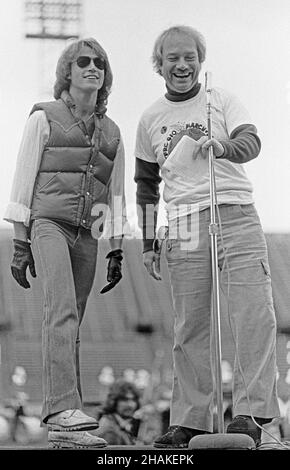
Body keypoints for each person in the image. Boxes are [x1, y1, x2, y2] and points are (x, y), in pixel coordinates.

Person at [134, 25, 280, 448]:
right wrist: (147, 244)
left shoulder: (221, 100)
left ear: (201, 59)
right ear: (158, 64)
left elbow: (251, 141)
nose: (182, 65)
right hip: (182, 224)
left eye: (190, 57)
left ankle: (253, 412)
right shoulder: (150, 119)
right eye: (172, 58)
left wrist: (222, 147)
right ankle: (190, 420)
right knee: (190, 327)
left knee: (254, 314)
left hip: (234, 212)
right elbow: (146, 185)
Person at [4, 37, 127, 449]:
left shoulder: (113, 132)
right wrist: (20, 243)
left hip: (88, 233)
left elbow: (117, 193)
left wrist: (115, 248)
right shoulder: (45, 117)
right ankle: (59, 407)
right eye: (83, 62)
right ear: (68, 73)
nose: (93, 68)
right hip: (48, 224)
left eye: (100, 63)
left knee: (73, 318)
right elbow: (24, 176)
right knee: (59, 310)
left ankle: (65, 426)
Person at [94, 379, 141, 445]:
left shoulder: (127, 425)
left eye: (133, 400)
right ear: (113, 402)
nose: (130, 405)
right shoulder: (109, 430)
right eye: (125, 400)